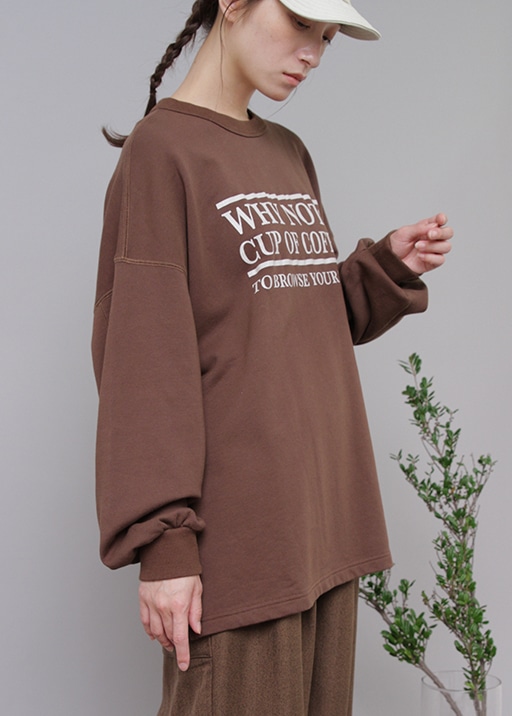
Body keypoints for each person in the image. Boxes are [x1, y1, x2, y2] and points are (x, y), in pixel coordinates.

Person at [92, 0, 453, 713]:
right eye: (300, 24)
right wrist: (165, 545)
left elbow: (292, 326)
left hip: (325, 528)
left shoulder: (288, 152)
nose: (313, 52)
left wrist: (383, 268)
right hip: (242, 545)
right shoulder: (162, 153)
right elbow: (143, 361)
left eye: (327, 37)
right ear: (232, 4)